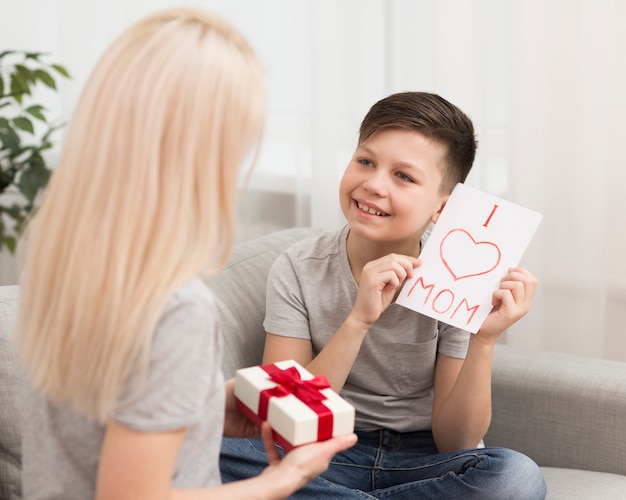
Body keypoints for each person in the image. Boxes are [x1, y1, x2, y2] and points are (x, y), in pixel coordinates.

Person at [14, 8, 356, 500]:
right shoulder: (176, 308)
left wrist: (196, 406)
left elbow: (97, 414)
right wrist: (280, 481)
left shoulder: (59, 257)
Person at [220, 91, 547, 499]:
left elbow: (456, 443)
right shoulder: (299, 267)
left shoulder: (457, 279)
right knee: (217, 453)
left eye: (403, 176)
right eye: (366, 161)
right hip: (323, 450)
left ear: (443, 210)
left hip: (422, 458)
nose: (373, 184)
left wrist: (484, 340)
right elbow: (286, 416)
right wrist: (358, 320)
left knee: (516, 477)